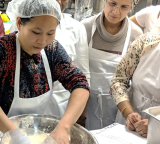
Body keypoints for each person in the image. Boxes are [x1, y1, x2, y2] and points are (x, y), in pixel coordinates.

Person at [0, 0, 90, 143]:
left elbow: (80, 83)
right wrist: (14, 134)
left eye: (50, 33)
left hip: (35, 132)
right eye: (36, 32)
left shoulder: (51, 49)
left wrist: (64, 126)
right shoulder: (2, 49)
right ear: (19, 23)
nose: (43, 41)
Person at [81, 0, 143, 130]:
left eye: (124, 7)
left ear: (131, 7)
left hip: (120, 105)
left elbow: (132, 76)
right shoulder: (85, 27)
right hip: (86, 101)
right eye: (112, 4)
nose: (116, 12)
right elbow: (77, 69)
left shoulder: (136, 34)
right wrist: (81, 108)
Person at [110, 18, 160, 137]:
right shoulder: (144, 43)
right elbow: (118, 81)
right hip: (129, 123)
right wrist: (128, 113)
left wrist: (156, 125)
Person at [52, 0, 89, 125]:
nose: (59, 1)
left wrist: (82, 112)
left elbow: (84, 74)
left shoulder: (77, 28)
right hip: (29, 107)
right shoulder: (24, 24)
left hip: (64, 108)